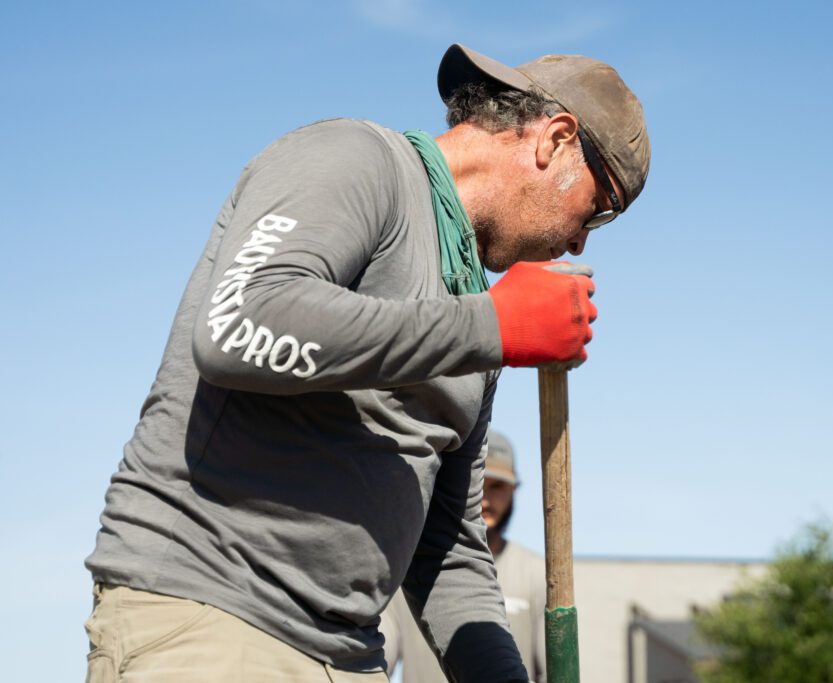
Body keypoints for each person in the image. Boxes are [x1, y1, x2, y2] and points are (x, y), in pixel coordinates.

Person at [83, 43, 649, 682]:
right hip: (216, 615)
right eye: (597, 210)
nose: (578, 241)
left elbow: (448, 551)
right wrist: (494, 325)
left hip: (351, 656)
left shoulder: (470, 313)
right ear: (555, 140)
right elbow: (237, 328)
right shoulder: (356, 160)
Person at [381, 430, 546, 682]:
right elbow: (379, 659)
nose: (486, 500)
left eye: (498, 486)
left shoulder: (537, 575)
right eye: (478, 485)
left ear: (514, 490)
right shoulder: (406, 570)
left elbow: (551, 669)